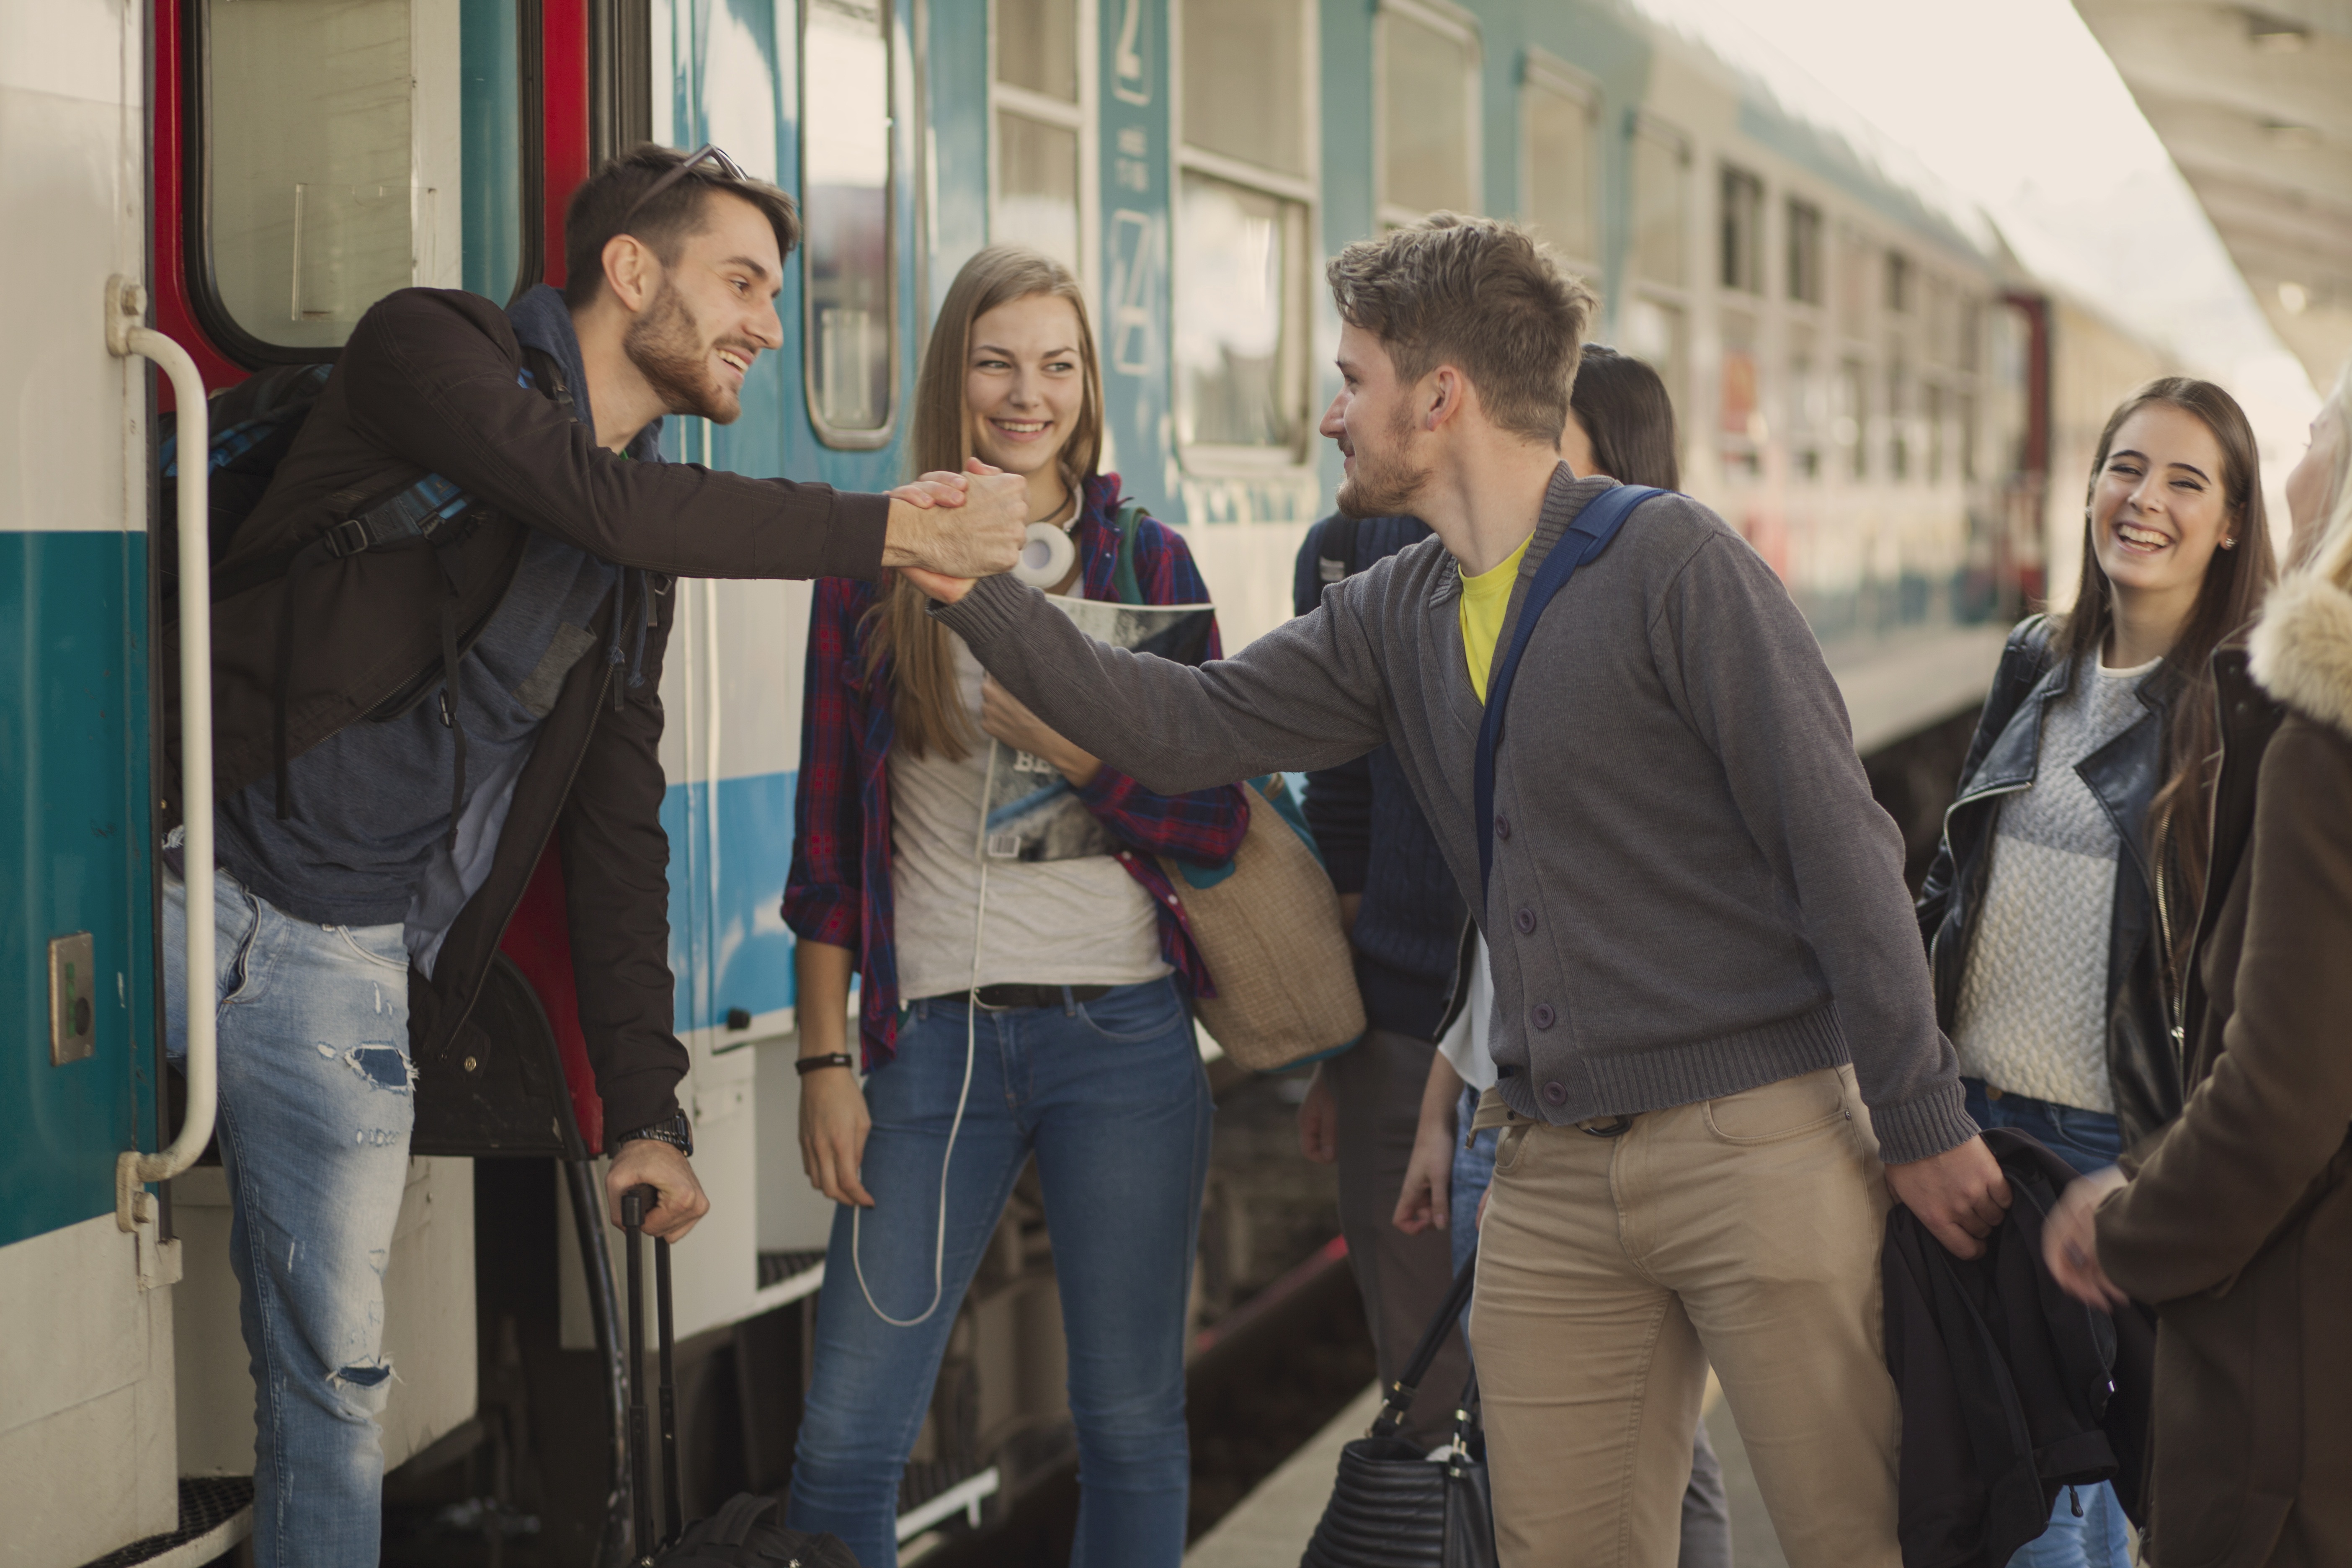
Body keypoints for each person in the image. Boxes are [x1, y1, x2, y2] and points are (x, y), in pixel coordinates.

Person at [903, 214, 2007, 1568]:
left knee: (1858, 1540)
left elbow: (1841, 845)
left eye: (1354, 380)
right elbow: (1186, 724)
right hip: (1546, 1166)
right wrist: (976, 587)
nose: (1330, 415)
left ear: (1441, 399)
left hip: (1752, 1143)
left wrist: (1917, 1111)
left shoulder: (1674, 566)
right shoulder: (1396, 606)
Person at [159, 142, 1023, 1567]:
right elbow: (595, 500)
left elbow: (621, 839)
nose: (762, 321)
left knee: (331, 1387)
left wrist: (648, 1110)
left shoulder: (635, 559)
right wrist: (892, 529)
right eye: (739, 282)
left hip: (345, 969)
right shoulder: (425, 349)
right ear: (633, 271)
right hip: (179, 895)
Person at [781, 245, 1248, 1568]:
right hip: (933, 1044)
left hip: (1127, 1044)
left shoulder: (1149, 561)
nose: (1025, 394)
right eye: (996, 362)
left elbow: (1217, 819)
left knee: (1131, 1425)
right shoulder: (875, 563)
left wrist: (1092, 750)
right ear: (955, 377)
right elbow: (824, 851)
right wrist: (827, 1062)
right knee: (844, 1444)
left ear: (1089, 384)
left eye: (1057, 364)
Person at [1914, 377, 2276, 1564]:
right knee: (1982, 1486)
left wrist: (2151, 1170)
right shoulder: (2037, 661)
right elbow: (1950, 887)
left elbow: (2250, 978)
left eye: (2186, 481)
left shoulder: (2248, 709)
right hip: (1973, 1135)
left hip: (2102, 1156)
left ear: (2231, 521)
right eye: (2127, 467)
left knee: (2057, 1509)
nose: (2146, 500)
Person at [1386, 345, 1729, 1565]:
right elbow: (1496, 932)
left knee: (1659, 1449)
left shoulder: (1667, 620)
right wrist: (1441, 1107)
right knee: (1537, 1454)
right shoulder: (1492, 622)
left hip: (1618, 1133)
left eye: (1557, 452)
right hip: (1498, 1120)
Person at [2044, 363, 2352, 1566]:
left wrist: (2130, 1225)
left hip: (2296, 1387)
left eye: (2320, 434)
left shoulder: (2317, 735)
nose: (2303, 463)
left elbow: (2280, 1098)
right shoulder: (2042, 669)